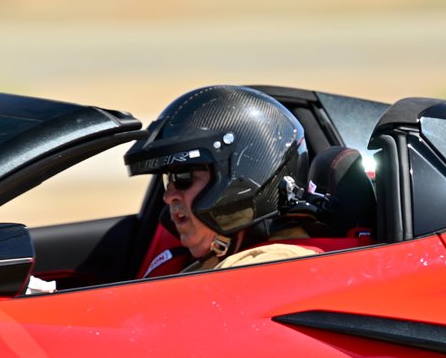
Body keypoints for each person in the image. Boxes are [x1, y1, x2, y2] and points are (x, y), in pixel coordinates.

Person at [124, 85, 322, 272]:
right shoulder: (221, 261)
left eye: (183, 177)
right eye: (169, 179)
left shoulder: (273, 266)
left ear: (242, 175)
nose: (168, 197)